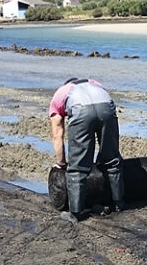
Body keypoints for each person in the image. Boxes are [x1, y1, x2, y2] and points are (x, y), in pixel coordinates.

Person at [48, 78, 125, 223]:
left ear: (66, 84)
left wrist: (61, 163)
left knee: (78, 166)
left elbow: (57, 134)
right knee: (112, 159)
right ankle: (118, 203)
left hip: (80, 108)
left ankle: (76, 213)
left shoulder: (60, 94)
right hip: (106, 106)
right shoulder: (94, 83)